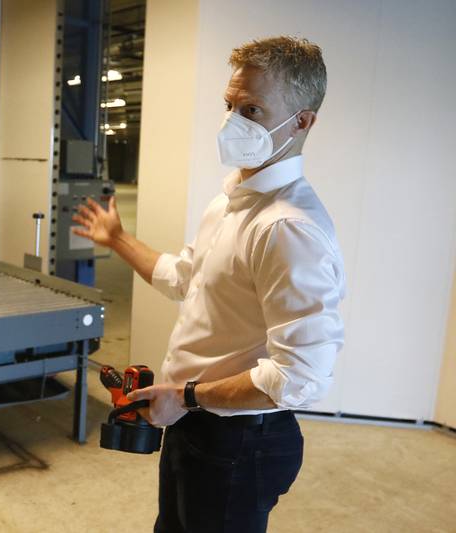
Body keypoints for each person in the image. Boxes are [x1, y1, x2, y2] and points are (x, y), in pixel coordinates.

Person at [73, 36, 345, 532]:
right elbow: (185, 278)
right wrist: (117, 239)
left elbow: (300, 377)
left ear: (302, 122)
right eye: (230, 106)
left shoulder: (287, 228)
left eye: (253, 109)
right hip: (194, 421)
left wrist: (189, 396)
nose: (232, 122)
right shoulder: (230, 203)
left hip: (238, 442)